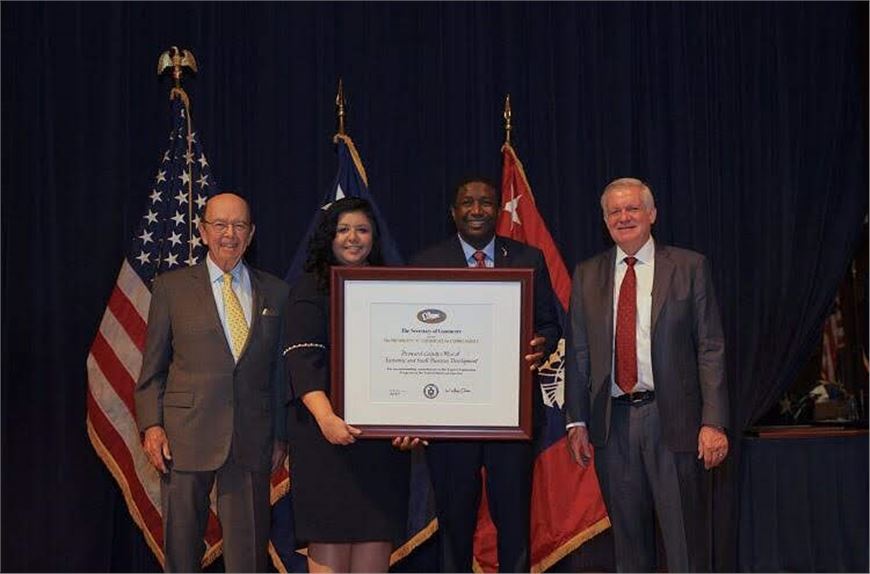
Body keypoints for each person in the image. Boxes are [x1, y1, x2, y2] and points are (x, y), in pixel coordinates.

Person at [564, 177, 729, 572]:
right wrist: (576, 419)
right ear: (604, 221)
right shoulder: (587, 274)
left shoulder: (690, 266)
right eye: (614, 212)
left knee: (684, 544)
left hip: (674, 423)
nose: (624, 217)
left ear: (652, 214)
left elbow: (711, 346)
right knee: (629, 547)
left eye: (632, 209)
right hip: (612, 425)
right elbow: (579, 353)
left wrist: (714, 422)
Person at [410, 177, 561, 572]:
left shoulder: (529, 258)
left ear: (498, 210)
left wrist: (542, 342)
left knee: (513, 525)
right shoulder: (426, 262)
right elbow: (412, 332)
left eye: (486, 202)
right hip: (450, 419)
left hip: (511, 416)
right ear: (453, 212)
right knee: (454, 526)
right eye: (467, 203)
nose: (477, 210)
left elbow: (549, 324)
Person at [135, 192, 289, 572]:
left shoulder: (277, 292)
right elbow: (153, 366)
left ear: (251, 234)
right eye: (220, 224)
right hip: (184, 438)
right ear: (203, 232)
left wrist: (280, 435)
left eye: (239, 225)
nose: (229, 234)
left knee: (248, 556)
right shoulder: (171, 288)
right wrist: (151, 425)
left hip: (251, 437)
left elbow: (279, 373)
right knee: (182, 551)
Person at [284, 196, 419, 573]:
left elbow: (409, 363)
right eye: (343, 230)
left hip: (379, 448)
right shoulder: (310, 288)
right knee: (331, 546)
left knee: (373, 550)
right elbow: (303, 359)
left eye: (362, 229)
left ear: (374, 237)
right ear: (329, 236)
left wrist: (410, 424)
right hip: (325, 440)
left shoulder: (392, 288)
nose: (353, 238)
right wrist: (327, 418)